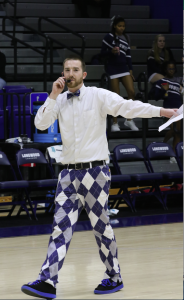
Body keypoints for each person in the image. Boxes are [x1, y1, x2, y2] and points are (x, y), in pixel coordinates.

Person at [21, 56, 178, 299]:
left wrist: (162, 111)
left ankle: (114, 276)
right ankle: (47, 281)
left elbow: (129, 106)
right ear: (62, 74)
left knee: (101, 227)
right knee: (60, 228)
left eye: (75, 70)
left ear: (84, 74)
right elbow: (41, 124)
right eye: (66, 70)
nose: (70, 73)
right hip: (67, 173)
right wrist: (52, 95)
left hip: (96, 172)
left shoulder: (98, 95)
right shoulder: (59, 100)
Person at [101, 16, 139, 132]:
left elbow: (128, 55)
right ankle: (114, 123)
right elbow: (102, 54)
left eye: (123, 26)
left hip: (124, 68)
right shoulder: (108, 37)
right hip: (112, 68)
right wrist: (110, 52)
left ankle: (129, 120)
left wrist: (131, 70)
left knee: (132, 92)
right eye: (119, 26)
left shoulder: (126, 37)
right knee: (116, 97)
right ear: (114, 26)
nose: (122, 28)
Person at [155, 60, 182, 161]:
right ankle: (164, 143)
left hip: (179, 109)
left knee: (178, 132)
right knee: (175, 130)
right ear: (165, 69)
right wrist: (163, 90)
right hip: (168, 109)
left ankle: (173, 154)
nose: (171, 70)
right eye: (169, 68)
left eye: (173, 68)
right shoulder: (161, 81)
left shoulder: (178, 81)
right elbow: (156, 97)